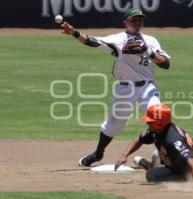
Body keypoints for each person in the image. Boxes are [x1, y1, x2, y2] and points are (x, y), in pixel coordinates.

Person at [60, 8, 171, 166]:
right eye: (133, 20)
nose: (137, 23)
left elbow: (166, 64)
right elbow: (91, 41)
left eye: (140, 20)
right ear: (125, 22)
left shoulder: (151, 41)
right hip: (125, 89)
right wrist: (74, 32)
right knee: (113, 125)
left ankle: (165, 155)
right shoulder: (117, 39)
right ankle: (98, 154)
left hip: (148, 87)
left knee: (158, 116)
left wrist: (150, 53)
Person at [115, 104, 193, 182]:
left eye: (150, 122)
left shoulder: (173, 139)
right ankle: (152, 165)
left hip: (188, 165)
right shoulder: (156, 130)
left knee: (151, 175)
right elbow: (138, 139)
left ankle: (182, 177)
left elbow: (191, 160)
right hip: (177, 156)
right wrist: (124, 155)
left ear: (160, 123)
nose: (147, 122)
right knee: (158, 154)